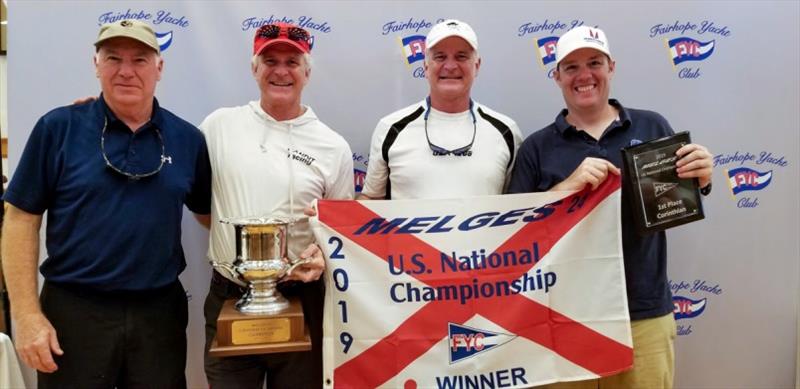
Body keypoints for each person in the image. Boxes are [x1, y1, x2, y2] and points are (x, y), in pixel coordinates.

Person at [1, 19, 211, 387]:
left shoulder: (188, 139)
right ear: (95, 65)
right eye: (113, 58)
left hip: (158, 315)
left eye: (140, 60)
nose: (126, 71)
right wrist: (27, 315)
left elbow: (209, 214)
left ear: (159, 68)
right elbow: (20, 219)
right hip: (74, 312)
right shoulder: (58, 128)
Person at [508, 26, 713, 389]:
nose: (584, 75)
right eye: (570, 67)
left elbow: (677, 198)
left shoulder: (652, 125)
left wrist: (700, 176)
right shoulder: (537, 148)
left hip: (644, 314)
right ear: (556, 76)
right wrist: (566, 189)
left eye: (594, 63)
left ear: (611, 67)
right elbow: (516, 236)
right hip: (564, 318)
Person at [197, 22, 354, 388]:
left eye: (292, 62)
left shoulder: (333, 146)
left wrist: (320, 254)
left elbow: (339, 230)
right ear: (254, 68)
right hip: (230, 295)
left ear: (307, 72)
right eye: (270, 61)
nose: (281, 71)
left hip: (303, 300)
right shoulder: (218, 127)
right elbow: (201, 208)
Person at [359, 19, 522, 200]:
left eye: (461, 56)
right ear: (426, 67)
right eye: (440, 57)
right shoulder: (391, 128)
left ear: (477, 66)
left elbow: (517, 207)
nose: (450, 66)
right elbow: (371, 202)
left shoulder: (506, 131)